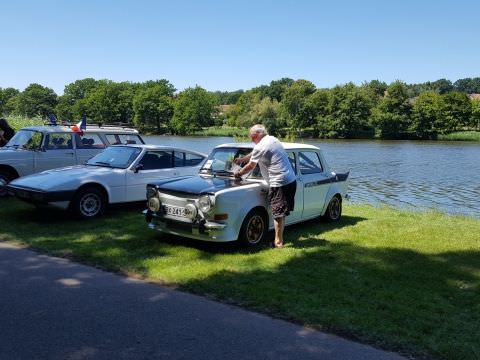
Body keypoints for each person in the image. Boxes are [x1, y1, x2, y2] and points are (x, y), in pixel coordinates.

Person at [234, 124, 296, 248]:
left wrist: (239, 173)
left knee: (277, 213)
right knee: (281, 213)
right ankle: (280, 239)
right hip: (290, 180)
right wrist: (242, 160)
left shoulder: (261, 146)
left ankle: (278, 243)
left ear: (258, 134)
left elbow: (251, 165)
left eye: (252, 136)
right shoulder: (273, 139)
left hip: (279, 182)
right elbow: (255, 153)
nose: (251, 139)